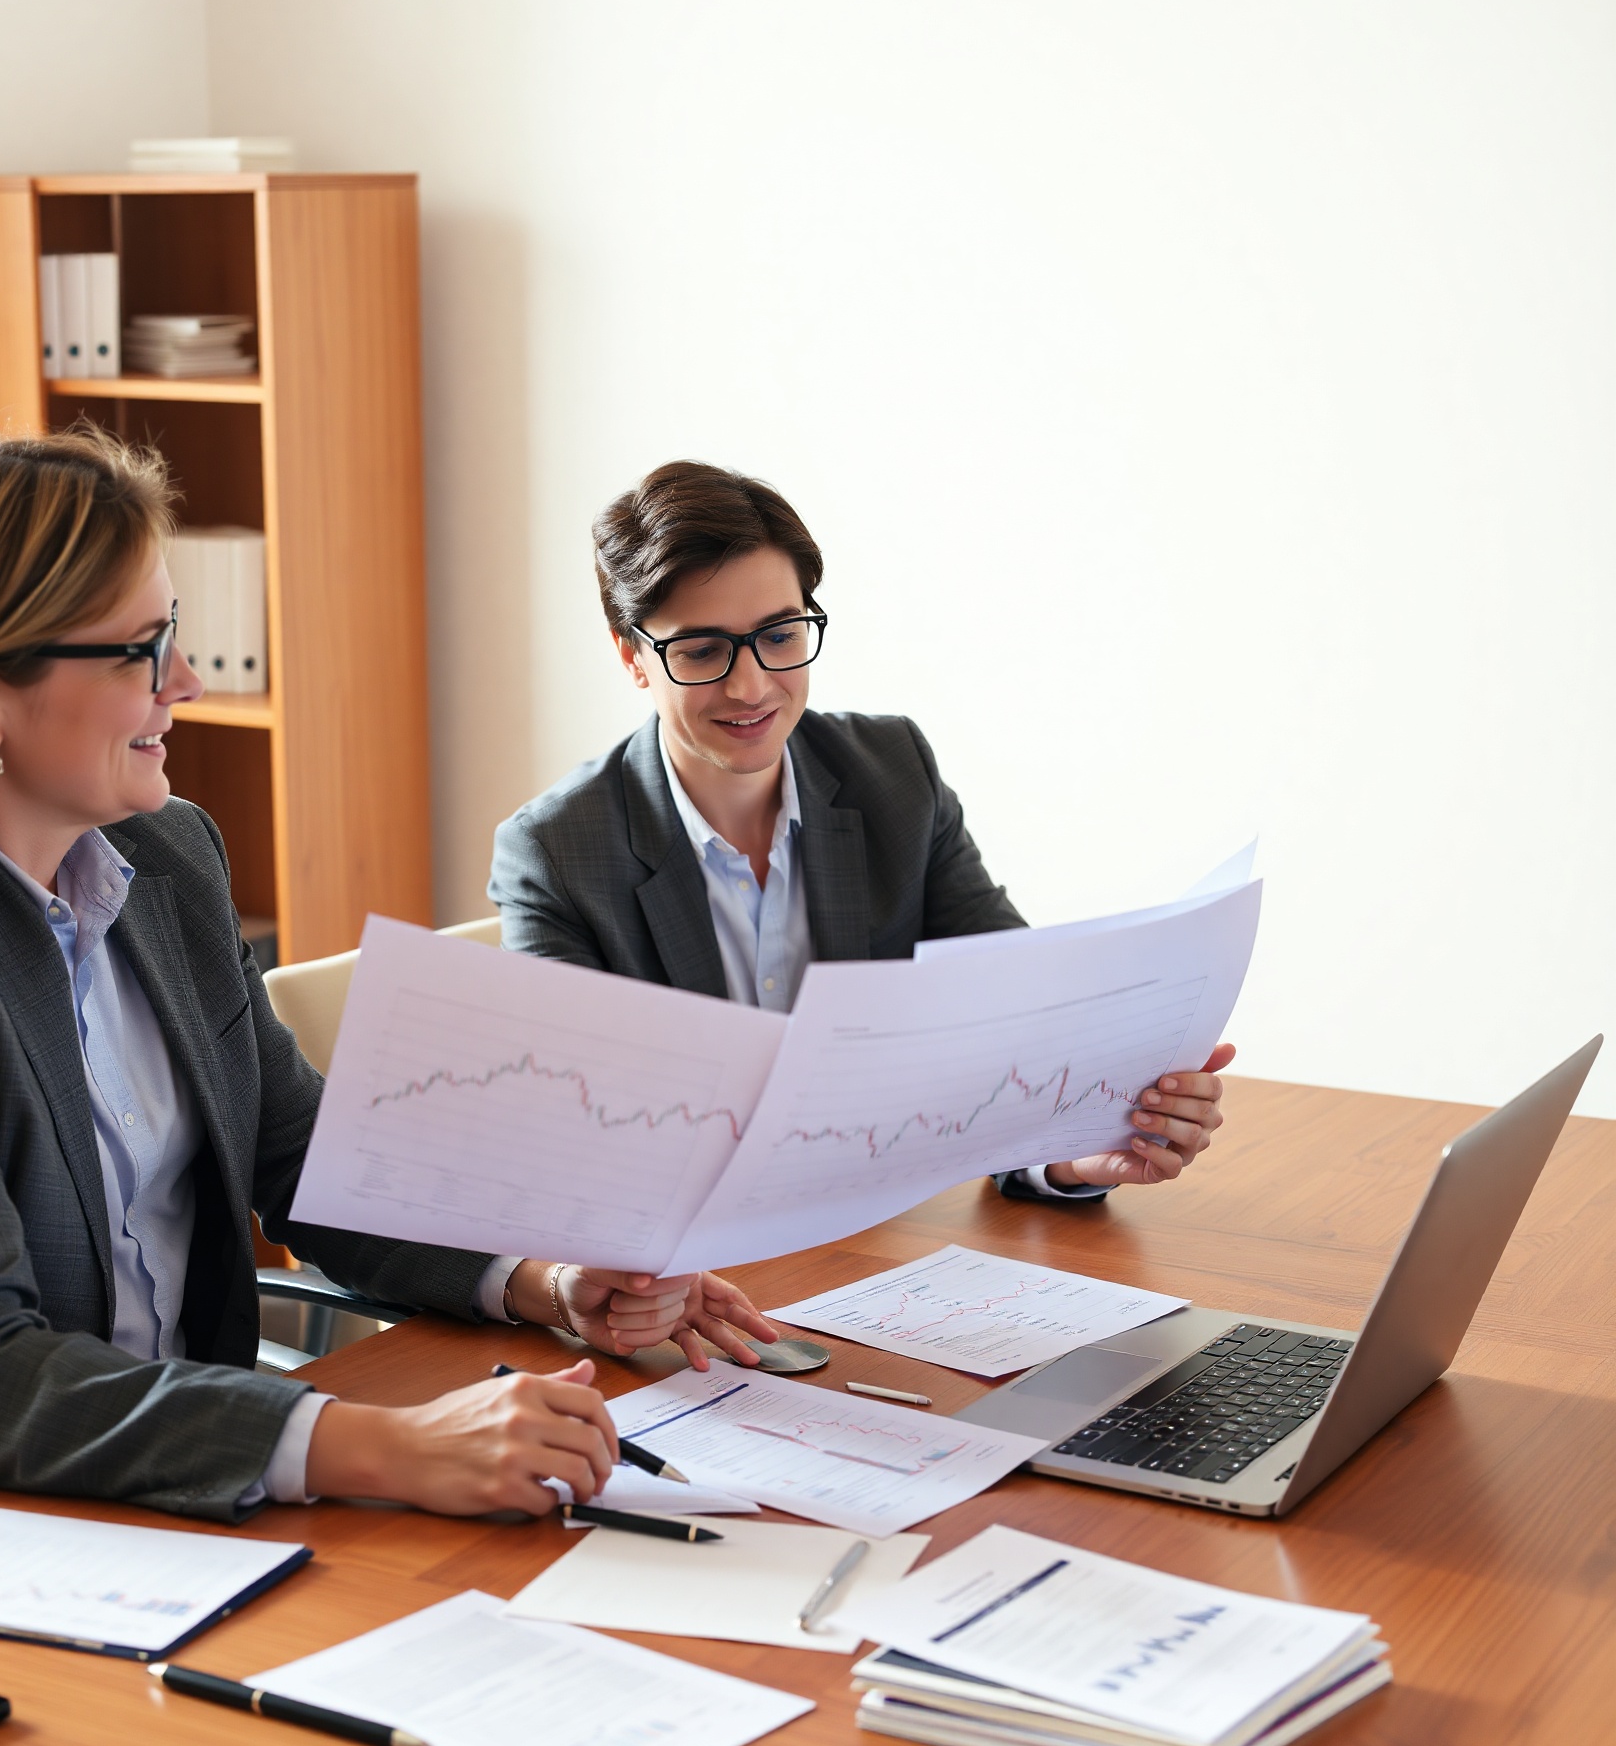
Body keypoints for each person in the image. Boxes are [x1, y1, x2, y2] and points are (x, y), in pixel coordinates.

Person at [0, 421, 771, 1559]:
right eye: (140, 650)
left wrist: (541, 1279)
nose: (186, 682)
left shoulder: (165, 859)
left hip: (149, 1496)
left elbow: (305, 1157)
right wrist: (388, 1442)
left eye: (177, 635)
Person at [489, 459, 1233, 1272]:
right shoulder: (556, 854)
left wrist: (1075, 1153)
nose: (752, 685)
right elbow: (572, 1150)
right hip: (689, 1280)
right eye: (702, 650)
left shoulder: (893, 777)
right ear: (632, 656)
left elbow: (1016, 1034)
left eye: (779, 636)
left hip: (880, 1254)